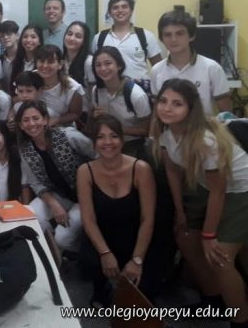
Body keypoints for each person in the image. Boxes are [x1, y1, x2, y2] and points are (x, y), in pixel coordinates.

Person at [151, 79, 248, 323]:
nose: (167, 108)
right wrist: (180, 211)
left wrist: (209, 234)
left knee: (219, 258)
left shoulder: (205, 139)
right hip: (206, 186)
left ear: (191, 109)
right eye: (163, 101)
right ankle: (213, 299)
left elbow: (219, 189)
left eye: (177, 104)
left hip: (240, 190)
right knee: (184, 237)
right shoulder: (166, 132)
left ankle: (240, 319)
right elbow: (173, 170)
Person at [78, 115, 158, 306]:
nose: (108, 142)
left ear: (122, 139)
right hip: (104, 237)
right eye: (100, 137)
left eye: (113, 136)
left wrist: (137, 260)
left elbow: (148, 219)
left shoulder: (141, 169)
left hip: (136, 239)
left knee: (142, 303)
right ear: (94, 142)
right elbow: (88, 219)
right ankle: (102, 286)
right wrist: (105, 253)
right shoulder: (85, 171)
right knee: (92, 266)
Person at [16, 100, 94, 253]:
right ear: (21, 125)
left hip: (87, 195)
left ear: (45, 119)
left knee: (63, 238)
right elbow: (36, 183)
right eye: (26, 120)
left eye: (36, 118)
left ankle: (87, 252)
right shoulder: (25, 149)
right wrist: (54, 204)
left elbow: (95, 155)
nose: (31, 124)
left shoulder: (67, 136)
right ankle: (56, 254)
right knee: (31, 215)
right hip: (60, 195)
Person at [150, 10, 230, 115]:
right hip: (168, 125)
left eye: (180, 33)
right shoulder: (156, 70)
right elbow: (156, 112)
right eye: (167, 35)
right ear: (162, 39)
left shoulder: (212, 68)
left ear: (191, 36)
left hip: (202, 125)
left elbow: (226, 115)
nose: (173, 39)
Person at [91, 0, 162, 91]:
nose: (120, 10)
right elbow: (95, 66)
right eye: (115, 7)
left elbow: (159, 68)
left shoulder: (146, 36)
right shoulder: (99, 38)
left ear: (131, 11)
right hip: (109, 90)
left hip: (141, 89)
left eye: (124, 7)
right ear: (110, 13)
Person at [91, 47, 151, 157]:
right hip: (106, 142)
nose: (103, 68)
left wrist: (117, 129)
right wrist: (96, 118)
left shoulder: (135, 94)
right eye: (98, 65)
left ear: (119, 65)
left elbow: (147, 130)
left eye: (108, 63)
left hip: (132, 144)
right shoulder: (96, 90)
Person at [35, 45, 84, 128]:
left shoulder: (72, 87)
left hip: (62, 128)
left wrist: (57, 120)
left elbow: (76, 114)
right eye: (41, 61)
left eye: (50, 62)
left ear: (60, 64)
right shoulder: (29, 77)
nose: (45, 65)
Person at [63, 21, 94, 107]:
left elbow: (94, 95)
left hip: (84, 111)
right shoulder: (62, 60)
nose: (72, 38)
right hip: (66, 110)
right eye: (69, 34)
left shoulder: (89, 62)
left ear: (84, 41)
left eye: (78, 36)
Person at [9, 24, 43, 97]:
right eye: (25, 37)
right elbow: (12, 87)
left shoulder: (43, 63)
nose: (28, 40)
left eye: (33, 37)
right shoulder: (17, 62)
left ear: (39, 41)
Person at [0, 20, 19, 88]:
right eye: (2, 36)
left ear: (17, 35)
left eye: (9, 34)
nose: (5, 37)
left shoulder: (25, 57)